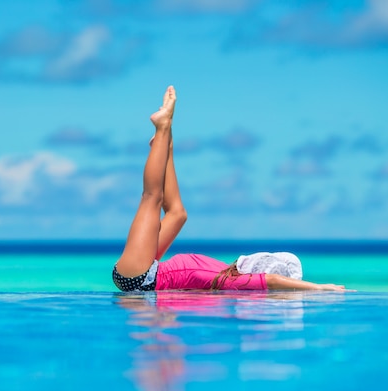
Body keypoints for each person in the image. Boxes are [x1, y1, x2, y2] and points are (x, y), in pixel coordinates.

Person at [112, 86, 348, 293]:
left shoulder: (229, 281)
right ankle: (166, 141)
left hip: (139, 276)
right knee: (178, 215)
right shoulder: (221, 272)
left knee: (151, 198)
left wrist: (319, 288)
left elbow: (273, 281)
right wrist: (166, 144)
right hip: (148, 272)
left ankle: (162, 128)